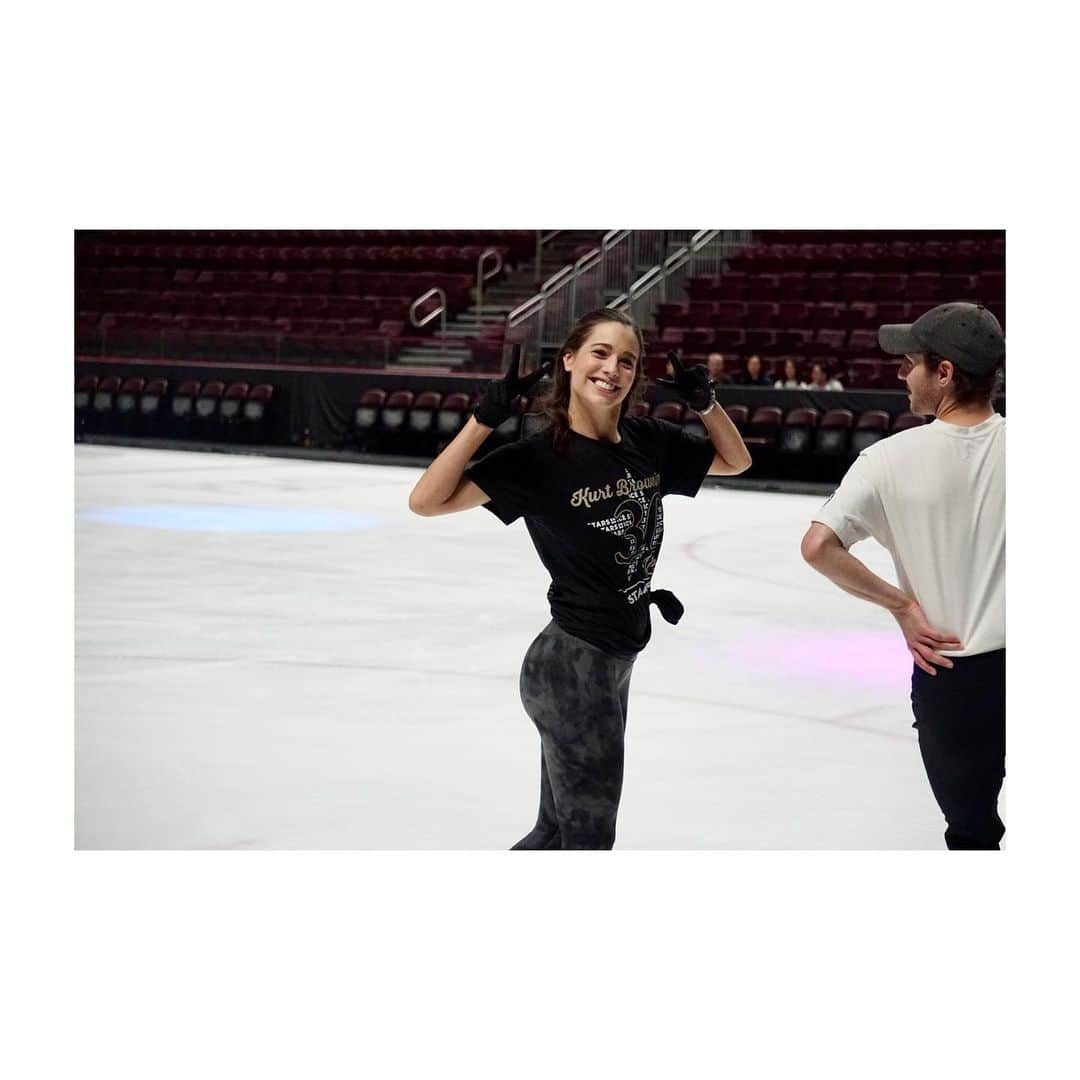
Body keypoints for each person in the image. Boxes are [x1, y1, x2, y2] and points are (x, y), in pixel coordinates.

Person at [408, 308, 752, 849]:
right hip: (571, 666)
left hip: (613, 658)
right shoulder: (538, 457)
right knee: (588, 839)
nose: (613, 368)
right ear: (568, 360)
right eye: (600, 353)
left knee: (556, 833)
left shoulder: (648, 439)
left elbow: (735, 461)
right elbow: (425, 502)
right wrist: (482, 421)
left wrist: (706, 405)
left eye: (627, 361)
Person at [800, 302, 1005, 850]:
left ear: (944, 373)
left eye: (910, 361)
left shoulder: (888, 459)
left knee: (972, 833)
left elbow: (819, 546)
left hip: (954, 672)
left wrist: (902, 606)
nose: (899, 373)